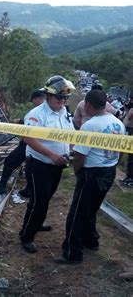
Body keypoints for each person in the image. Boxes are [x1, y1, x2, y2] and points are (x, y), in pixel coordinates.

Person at [54, 90, 125, 264]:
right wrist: (114, 163)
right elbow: (123, 149)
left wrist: (78, 172)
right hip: (109, 171)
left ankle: (72, 252)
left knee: (77, 214)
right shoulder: (117, 123)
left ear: (88, 105)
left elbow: (79, 156)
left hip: (92, 173)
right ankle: (91, 241)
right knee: (91, 208)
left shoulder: (91, 126)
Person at [19, 75, 75, 254]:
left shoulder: (64, 112)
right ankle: (26, 235)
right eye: (60, 98)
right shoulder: (36, 115)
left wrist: (72, 150)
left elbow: (71, 134)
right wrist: (51, 154)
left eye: (66, 98)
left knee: (45, 198)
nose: (63, 101)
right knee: (39, 201)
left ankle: (38, 222)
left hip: (58, 164)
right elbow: (28, 138)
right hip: (40, 164)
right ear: (49, 96)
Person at [0, 90, 45, 196]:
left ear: (38, 99)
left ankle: (2, 187)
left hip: (29, 143)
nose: (33, 102)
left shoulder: (38, 111)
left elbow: (28, 125)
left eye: (33, 100)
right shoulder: (44, 111)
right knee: (30, 168)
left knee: (10, 161)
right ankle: (29, 189)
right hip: (36, 144)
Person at [121, 95, 133, 186]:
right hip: (129, 130)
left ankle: (130, 177)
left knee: (131, 157)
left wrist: (127, 110)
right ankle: (129, 176)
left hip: (130, 130)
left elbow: (128, 118)